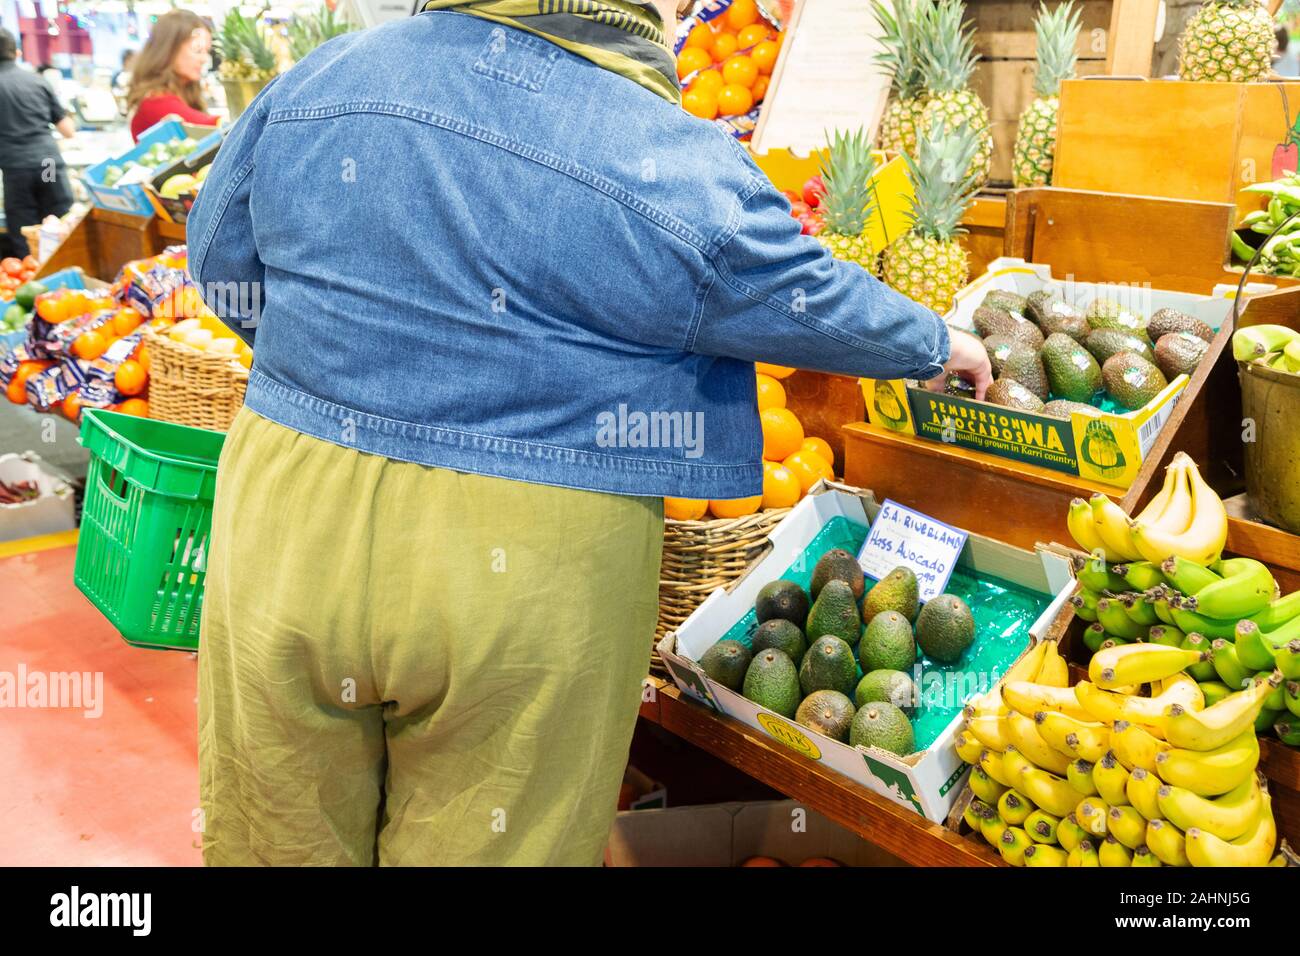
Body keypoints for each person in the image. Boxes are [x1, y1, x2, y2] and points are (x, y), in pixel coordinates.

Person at [187, 0, 992, 867]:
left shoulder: (326, 77)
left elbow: (219, 251)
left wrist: (339, 372)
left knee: (276, 831)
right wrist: (935, 342)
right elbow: (793, 291)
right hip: (531, 556)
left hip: (289, 515)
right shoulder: (663, 150)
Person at [0, 30, 75, 260]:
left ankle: (34, 279)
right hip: (47, 162)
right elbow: (68, 130)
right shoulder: (37, 81)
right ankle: (67, 269)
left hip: (17, 168)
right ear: (18, 53)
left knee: (25, 231)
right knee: (58, 219)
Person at [126, 10, 217, 141]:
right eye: (197, 50)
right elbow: (211, 127)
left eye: (206, 51)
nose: (204, 59)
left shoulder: (181, 92)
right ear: (169, 48)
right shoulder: (154, 102)